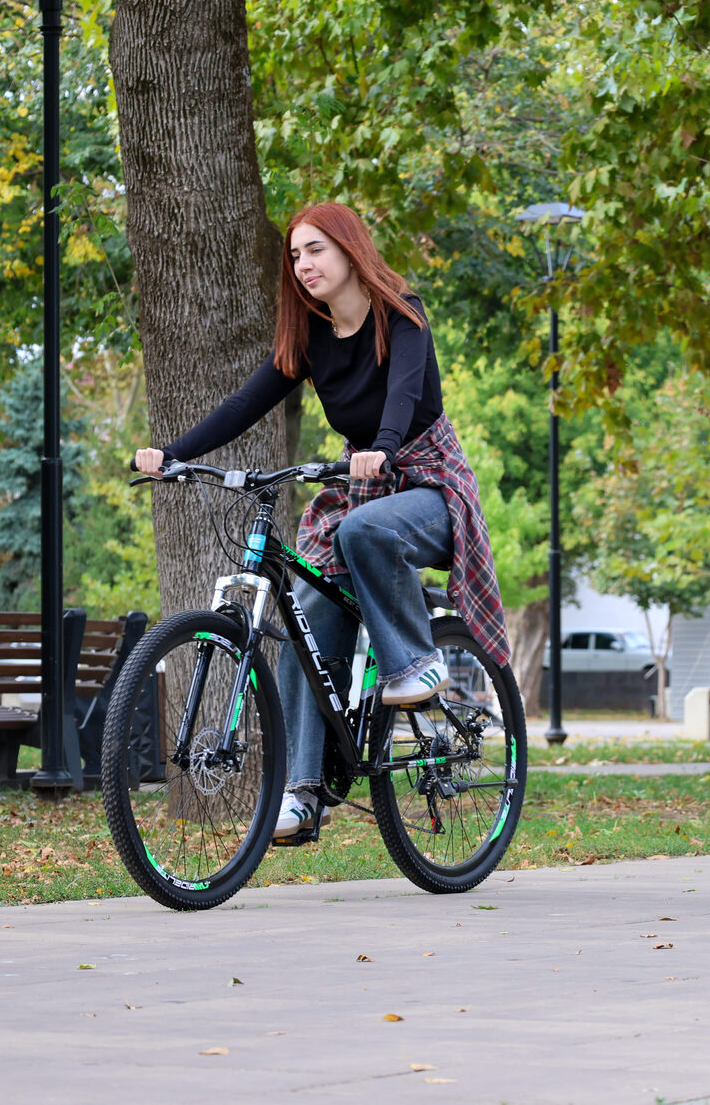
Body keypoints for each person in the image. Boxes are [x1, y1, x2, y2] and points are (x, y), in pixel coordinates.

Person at [133, 202, 509, 841]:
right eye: (296, 254)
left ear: (349, 249)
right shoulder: (308, 338)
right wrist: (175, 455)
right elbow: (244, 404)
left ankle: (415, 664)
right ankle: (303, 794)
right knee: (307, 606)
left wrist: (384, 448)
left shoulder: (403, 315)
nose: (304, 264)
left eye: (316, 250)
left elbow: (404, 397)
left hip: (428, 485)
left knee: (363, 532)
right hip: (360, 484)